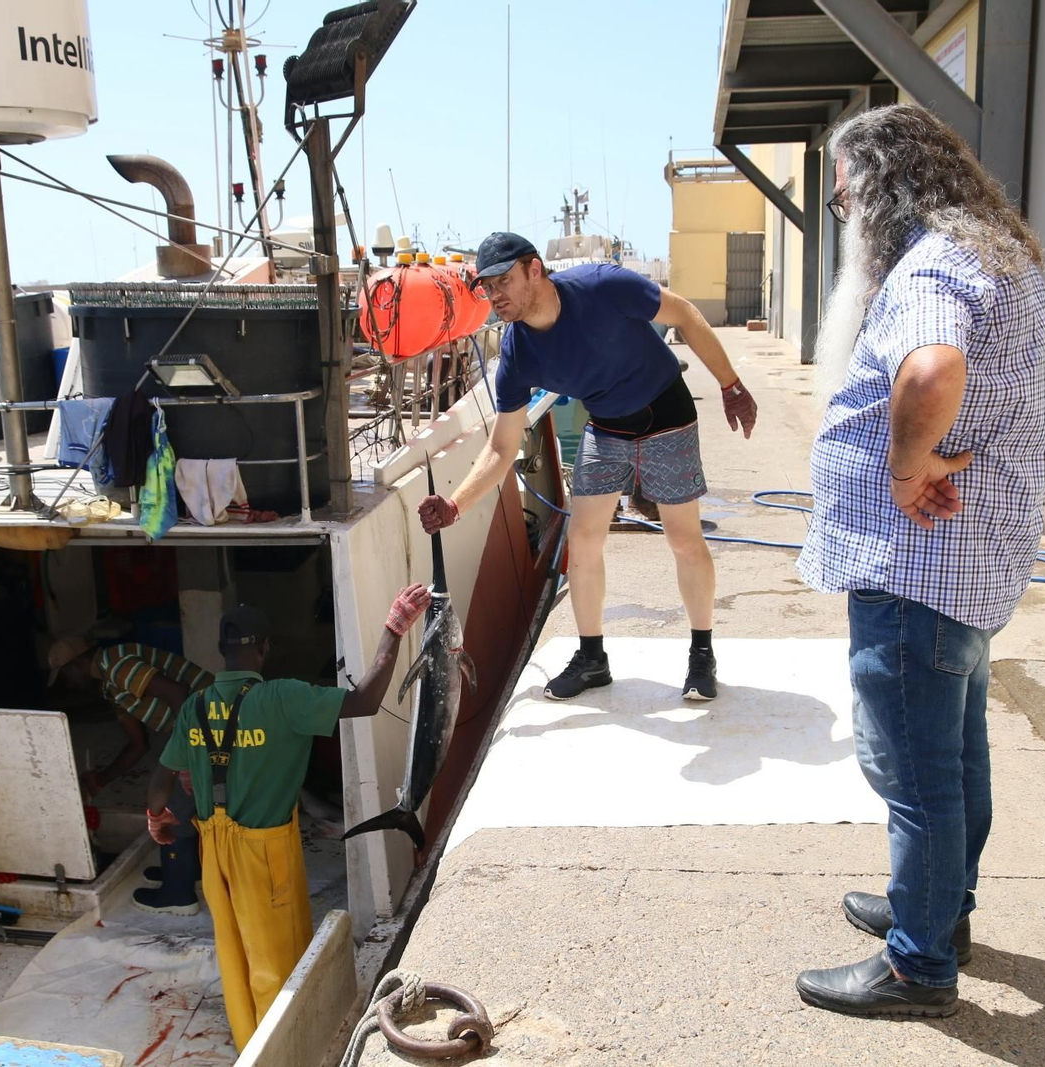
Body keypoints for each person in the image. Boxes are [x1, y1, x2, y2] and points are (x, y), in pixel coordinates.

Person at [793, 104, 1045, 1017]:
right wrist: (979, 432)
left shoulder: (933, 265)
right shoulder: (1002, 257)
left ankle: (919, 964)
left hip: (918, 563)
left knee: (913, 770)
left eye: (842, 199)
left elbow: (929, 371)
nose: (846, 215)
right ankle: (940, 912)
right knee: (955, 753)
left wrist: (911, 463)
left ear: (879, 187)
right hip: (973, 560)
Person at [417, 233, 758, 701]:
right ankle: (593, 658)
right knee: (582, 539)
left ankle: (702, 653)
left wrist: (731, 384)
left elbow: (684, 314)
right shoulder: (515, 355)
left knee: (683, 538)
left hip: (667, 415)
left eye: (503, 281)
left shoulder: (603, 286)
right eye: (486, 287)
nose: (494, 295)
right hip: (607, 427)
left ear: (534, 269)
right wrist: (454, 505)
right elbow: (501, 448)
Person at [145, 584, 430, 1050]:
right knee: (273, 962)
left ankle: (248, 1042)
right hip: (263, 850)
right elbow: (364, 701)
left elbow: (160, 778)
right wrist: (394, 629)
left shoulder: (194, 706)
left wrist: (157, 817)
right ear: (264, 648)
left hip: (213, 851)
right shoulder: (283, 698)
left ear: (221, 650)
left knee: (235, 955)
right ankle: (281, 1054)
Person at [47, 635, 213, 914]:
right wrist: (99, 781)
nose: (66, 684)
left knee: (172, 805)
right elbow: (138, 745)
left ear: (76, 664)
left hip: (212, 723)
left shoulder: (115, 664)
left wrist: (186, 751)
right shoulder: (111, 687)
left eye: (64, 675)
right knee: (177, 797)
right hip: (201, 728)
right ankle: (187, 874)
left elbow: (178, 693)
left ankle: (178, 896)